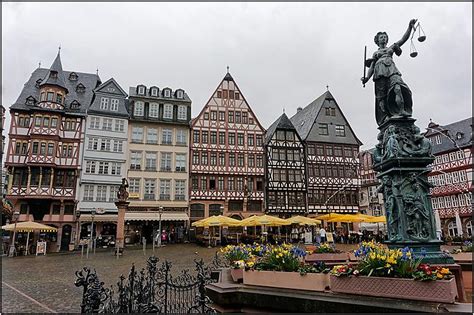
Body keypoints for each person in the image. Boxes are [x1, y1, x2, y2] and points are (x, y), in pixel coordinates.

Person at [361, 19, 418, 126]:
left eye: (384, 37)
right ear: (377, 41)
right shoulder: (375, 53)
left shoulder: (392, 47)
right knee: (382, 97)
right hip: (379, 73)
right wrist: (367, 78)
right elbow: (371, 68)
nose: (383, 38)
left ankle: (402, 111)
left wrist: (409, 27)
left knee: (398, 87)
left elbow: (403, 39)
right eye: (381, 37)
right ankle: (386, 116)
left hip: (391, 70)